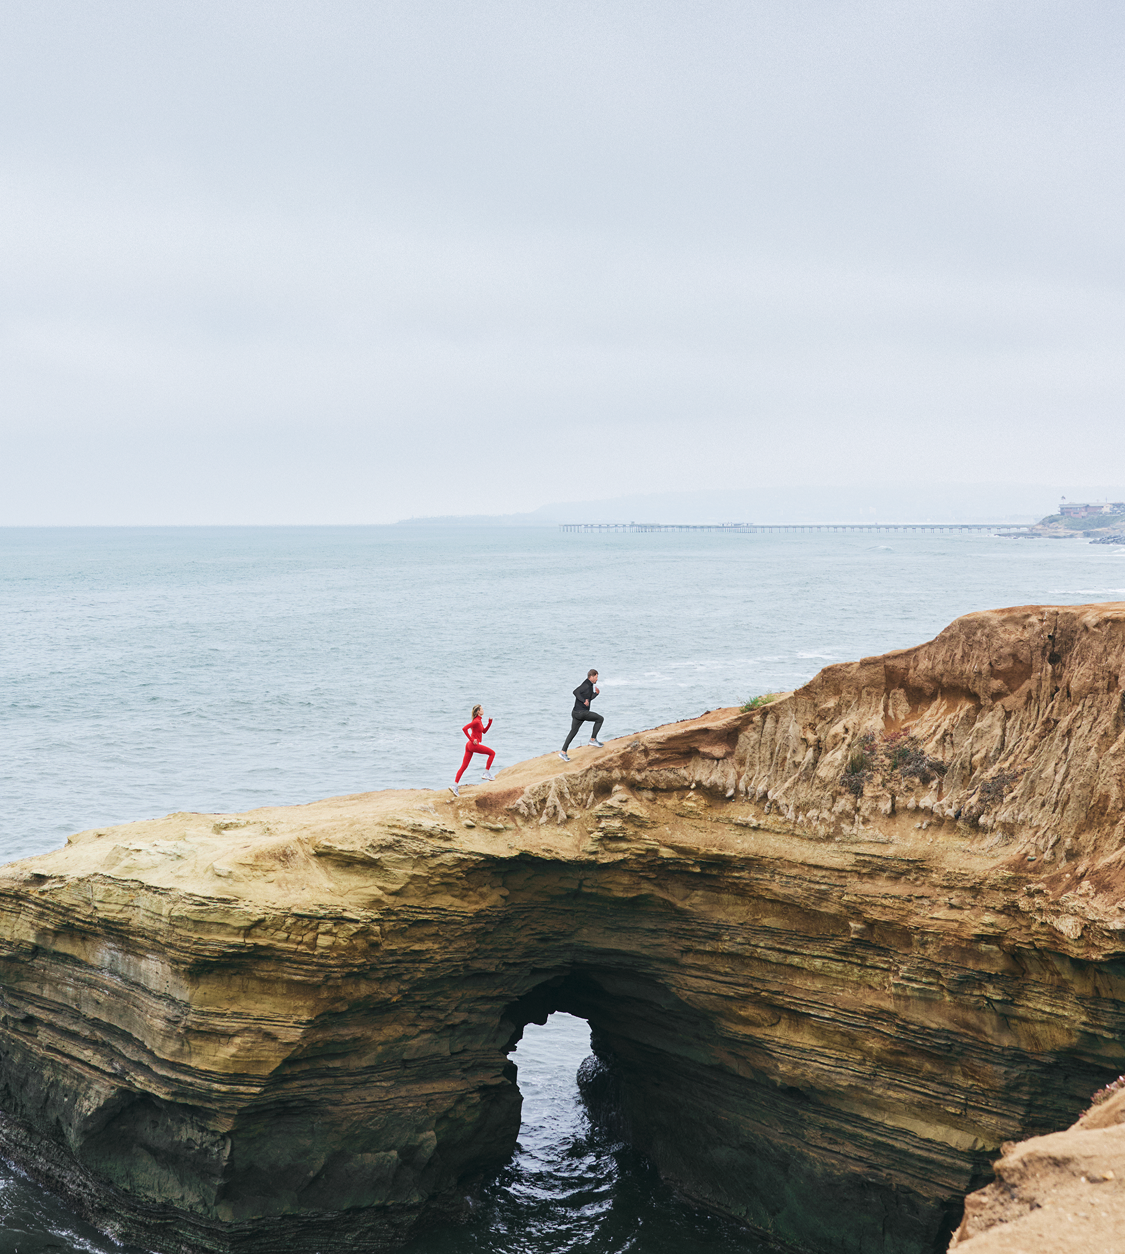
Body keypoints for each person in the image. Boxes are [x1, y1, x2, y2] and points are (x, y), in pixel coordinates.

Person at [450, 704, 496, 796]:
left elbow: (484, 731)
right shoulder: (476, 721)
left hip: (468, 746)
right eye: (482, 709)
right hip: (472, 745)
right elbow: (464, 729)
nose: (483, 710)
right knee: (492, 753)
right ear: (478, 711)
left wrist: (490, 723)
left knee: (464, 766)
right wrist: (472, 740)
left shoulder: (479, 721)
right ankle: (486, 773)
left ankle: (454, 786)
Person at [559, 669, 604, 761]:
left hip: (576, 712)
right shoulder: (586, 684)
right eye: (596, 677)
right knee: (600, 719)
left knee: (573, 732)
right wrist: (583, 701)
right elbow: (575, 692)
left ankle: (563, 752)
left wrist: (596, 694)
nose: (597, 679)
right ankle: (592, 740)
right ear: (591, 677)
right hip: (581, 713)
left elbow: (589, 698)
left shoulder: (590, 685)